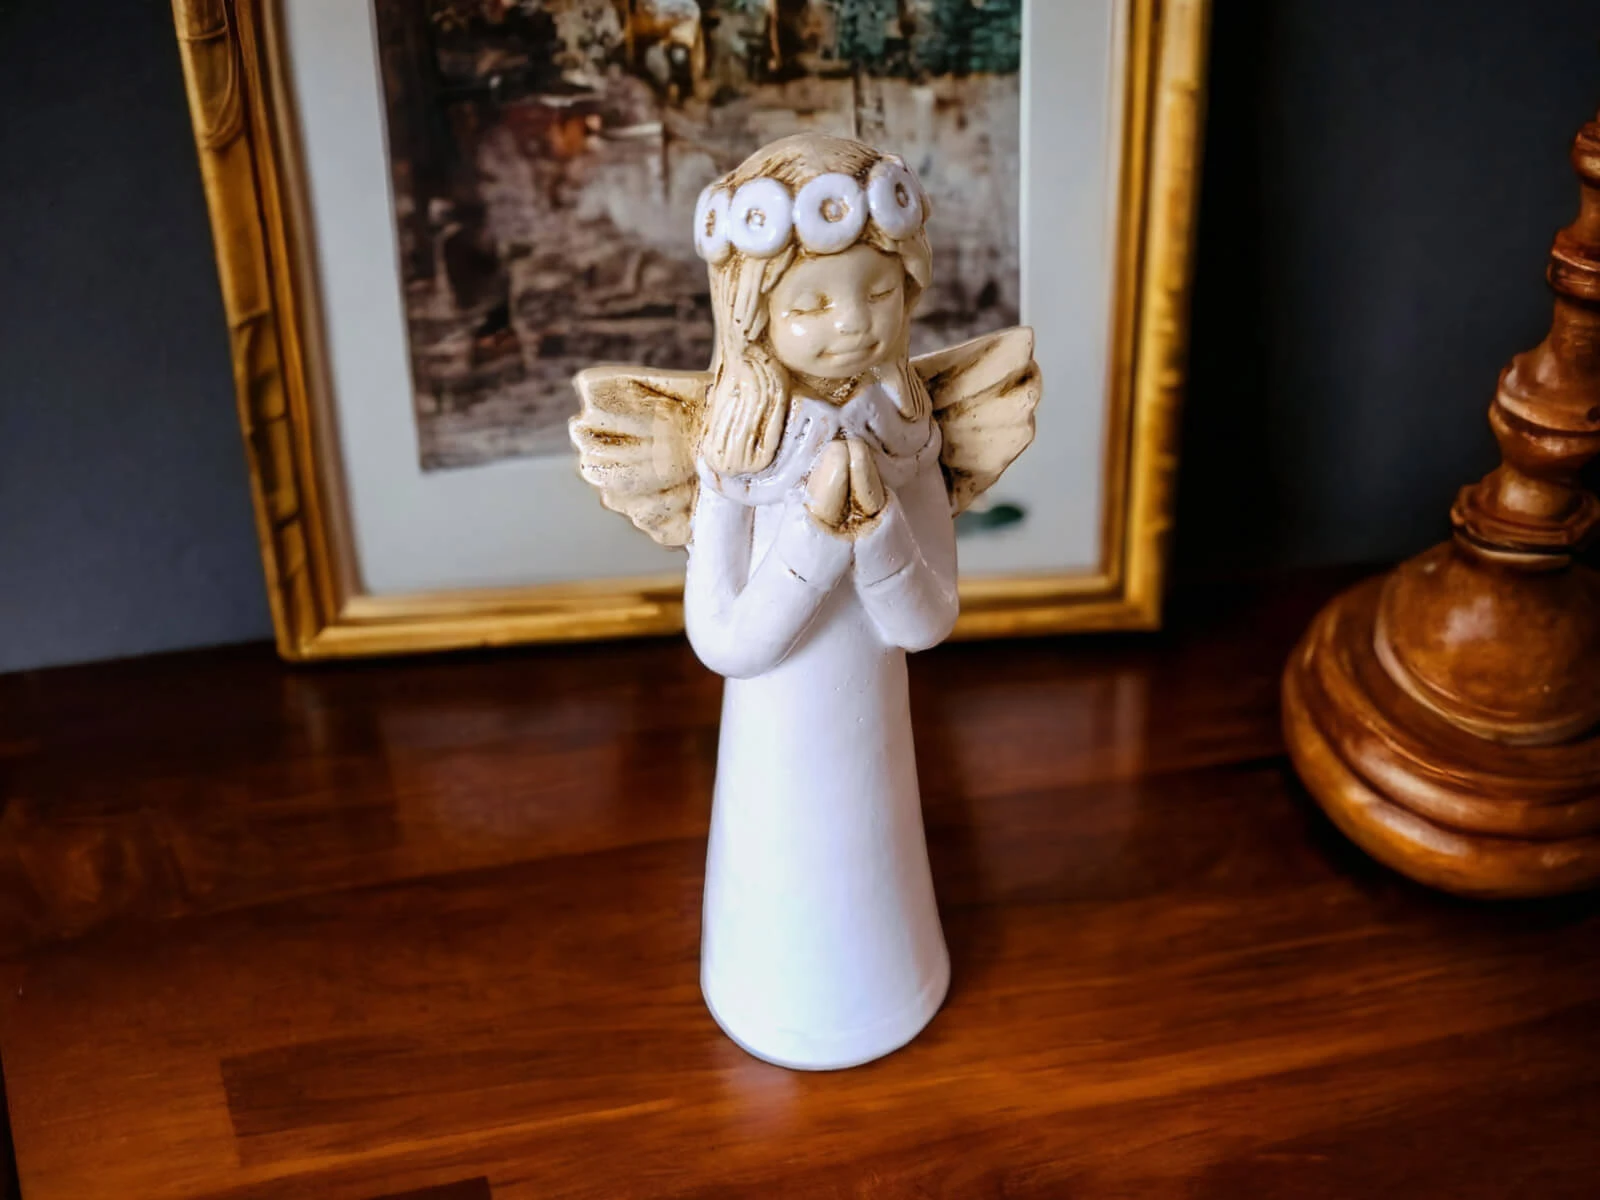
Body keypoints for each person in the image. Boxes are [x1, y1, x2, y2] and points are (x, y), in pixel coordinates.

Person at [570, 133, 1039, 1068]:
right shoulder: (736, 456)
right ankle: (767, 989)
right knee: (781, 859)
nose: (853, 324)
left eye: (878, 293)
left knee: (873, 845)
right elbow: (724, 641)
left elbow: (926, 620)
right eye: (812, 304)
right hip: (773, 738)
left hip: (873, 723)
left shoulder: (908, 433)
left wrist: (879, 532)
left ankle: (890, 983)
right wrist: (818, 543)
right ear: (754, 316)